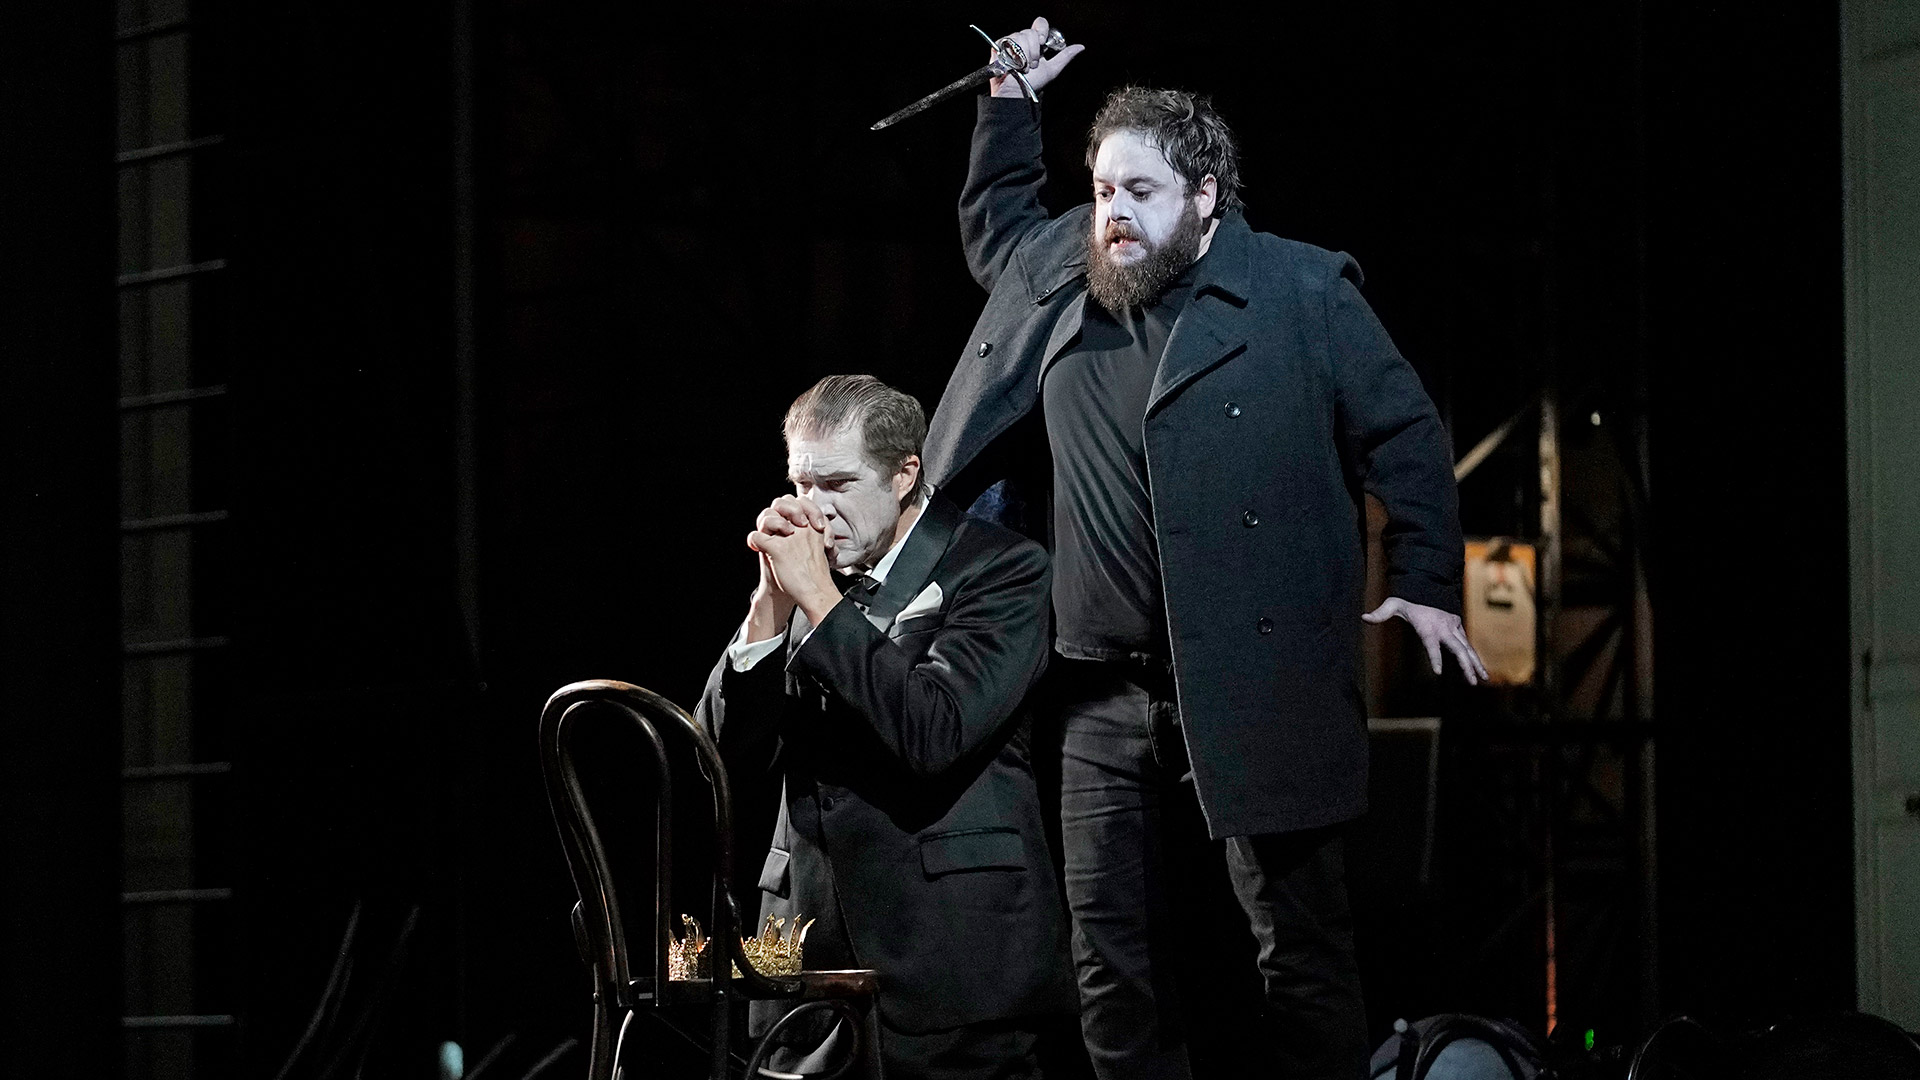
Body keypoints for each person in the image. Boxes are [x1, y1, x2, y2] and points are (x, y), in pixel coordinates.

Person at [917, 19, 1489, 1080]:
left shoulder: (1302, 292)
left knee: (1297, 952)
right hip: (1098, 693)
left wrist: (1422, 580)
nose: (1115, 215)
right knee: (1108, 959)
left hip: (1257, 679)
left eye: (1141, 192)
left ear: (1209, 194)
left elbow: (1406, 436)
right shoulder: (1061, 268)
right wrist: (1005, 98)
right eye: (1102, 191)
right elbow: (996, 222)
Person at [696, 374, 1075, 1080]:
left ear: (905, 476)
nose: (814, 511)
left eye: (837, 484)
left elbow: (935, 732)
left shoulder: (1001, 568)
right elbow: (714, 760)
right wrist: (766, 616)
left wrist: (819, 601)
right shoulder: (804, 583)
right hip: (803, 962)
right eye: (801, 485)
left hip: (953, 965)